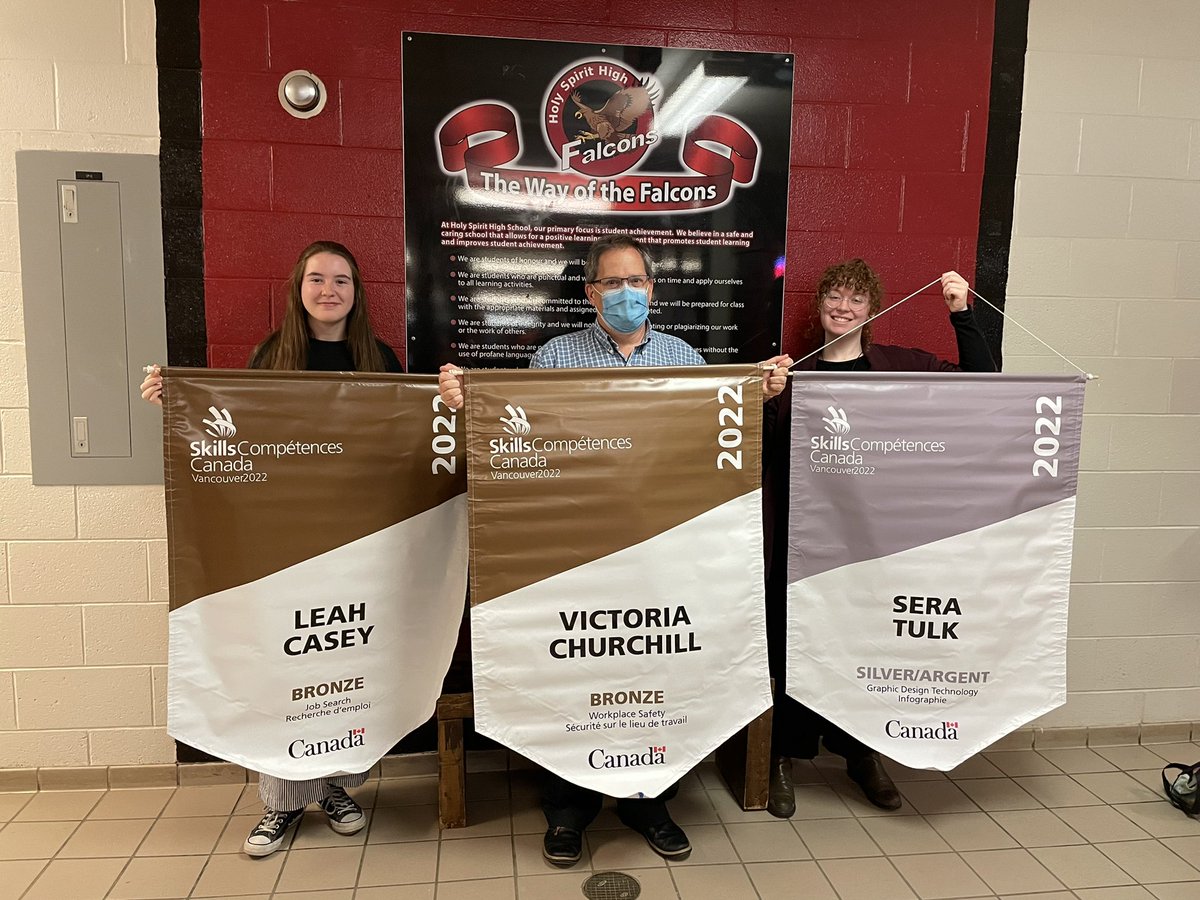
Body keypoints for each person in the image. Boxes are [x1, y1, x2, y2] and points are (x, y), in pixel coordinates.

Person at [438, 233, 790, 867]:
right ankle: (568, 812)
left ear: (652, 290)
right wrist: (469, 405)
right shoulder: (555, 357)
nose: (626, 293)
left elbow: (710, 445)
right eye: (612, 283)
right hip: (577, 551)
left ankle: (648, 802)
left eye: (637, 282)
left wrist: (755, 397)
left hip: (661, 553)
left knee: (650, 670)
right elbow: (521, 441)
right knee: (577, 674)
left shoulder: (683, 358)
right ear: (590, 292)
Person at [140, 240, 402, 856]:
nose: (329, 290)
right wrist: (174, 398)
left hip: (357, 543)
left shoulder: (380, 358)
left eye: (342, 279)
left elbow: (403, 442)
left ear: (358, 292)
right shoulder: (270, 355)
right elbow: (231, 430)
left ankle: (338, 787)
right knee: (287, 671)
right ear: (298, 287)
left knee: (341, 665)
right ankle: (281, 805)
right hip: (284, 546)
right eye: (317, 278)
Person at [762, 258, 996, 817]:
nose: (843, 309)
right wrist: (767, 400)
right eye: (833, 299)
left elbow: (981, 383)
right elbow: (760, 461)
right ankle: (781, 757)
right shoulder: (795, 376)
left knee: (864, 647)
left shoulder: (898, 367)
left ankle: (860, 753)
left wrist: (961, 312)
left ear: (872, 309)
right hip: (802, 546)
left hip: (873, 547)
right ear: (819, 306)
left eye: (855, 300)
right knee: (791, 645)